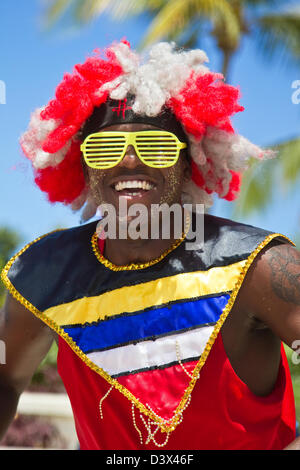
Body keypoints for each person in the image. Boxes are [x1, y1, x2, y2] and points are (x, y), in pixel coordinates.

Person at [0, 40, 300, 450]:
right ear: (82, 166)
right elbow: (5, 378)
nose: (129, 162)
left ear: (189, 160)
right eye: (105, 148)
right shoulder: (44, 275)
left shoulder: (260, 267)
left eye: (155, 148)